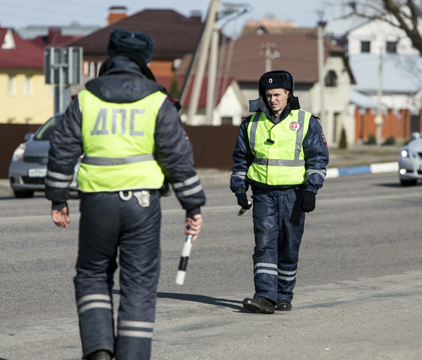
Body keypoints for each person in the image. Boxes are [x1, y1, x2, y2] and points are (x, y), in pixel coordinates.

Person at [45, 29, 205, 360]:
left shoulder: (86, 98)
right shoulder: (157, 100)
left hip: (96, 202)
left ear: (110, 54)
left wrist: (58, 199)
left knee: (92, 275)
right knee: (139, 284)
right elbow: (177, 157)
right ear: (146, 60)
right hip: (142, 205)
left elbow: (61, 150)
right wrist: (193, 205)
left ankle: (99, 349)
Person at [230, 70, 329, 314]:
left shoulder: (307, 121)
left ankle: (284, 294)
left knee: (288, 246)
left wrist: (311, 190)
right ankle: (265, 296)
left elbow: (318, 159)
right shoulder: (251, 123)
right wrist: (239, 189)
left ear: (288, 94)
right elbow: (241, 159)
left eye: (277, 94)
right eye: (268, 95)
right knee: (264, 245)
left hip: (294, 196)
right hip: (263, 195)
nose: (272, 99)